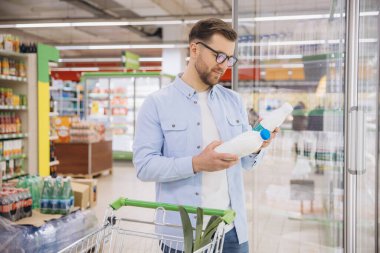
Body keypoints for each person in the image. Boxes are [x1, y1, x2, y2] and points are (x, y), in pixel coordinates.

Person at [133, 18, 279, 253]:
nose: (224, 65)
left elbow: (245, 163)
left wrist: (258, 144)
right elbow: (144, 166)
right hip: (181, 234)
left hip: (230, 230)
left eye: (229, 59)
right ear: (195, 48)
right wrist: (196, 163)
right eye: (219, 56)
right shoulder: (156, 104)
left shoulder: (233, 101)